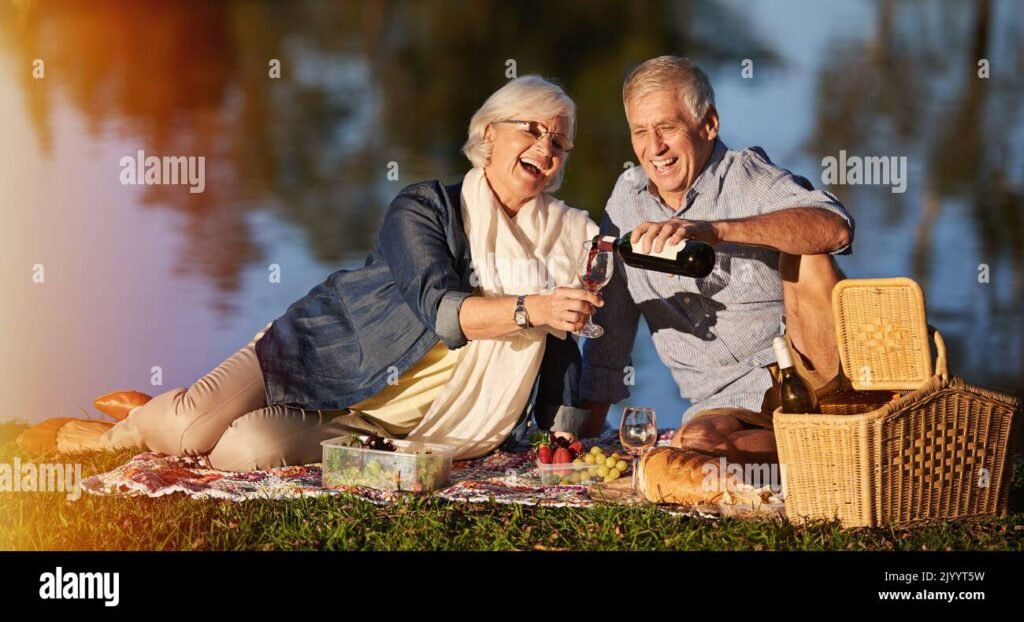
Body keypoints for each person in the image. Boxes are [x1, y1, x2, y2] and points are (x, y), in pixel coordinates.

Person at [18, 75, 601, 470]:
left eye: (559, 142)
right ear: (491, 133)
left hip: (393, 424)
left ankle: (171, 413)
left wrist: (561, 434)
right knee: (189, 430)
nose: (546, 149)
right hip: (318, 354)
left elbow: (561, 351)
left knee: (248, 449)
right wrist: (531, 309)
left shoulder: (566, 239)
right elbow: (440, 308)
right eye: (532, 129)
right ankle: (116, 430)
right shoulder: (425, 207)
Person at [580, 56, 855, 462]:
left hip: (805, 375)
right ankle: (840, 446)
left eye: (668, 128)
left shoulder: (749, 178)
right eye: (640, 131)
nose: (654, 147)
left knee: (810, 252)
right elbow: (612, 324)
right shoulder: (626, 200)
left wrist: (717, 230)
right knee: (699, 444)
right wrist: (582, 442)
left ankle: (840, 423)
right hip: (725, 403)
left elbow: (835, 228)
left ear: (709, 124)